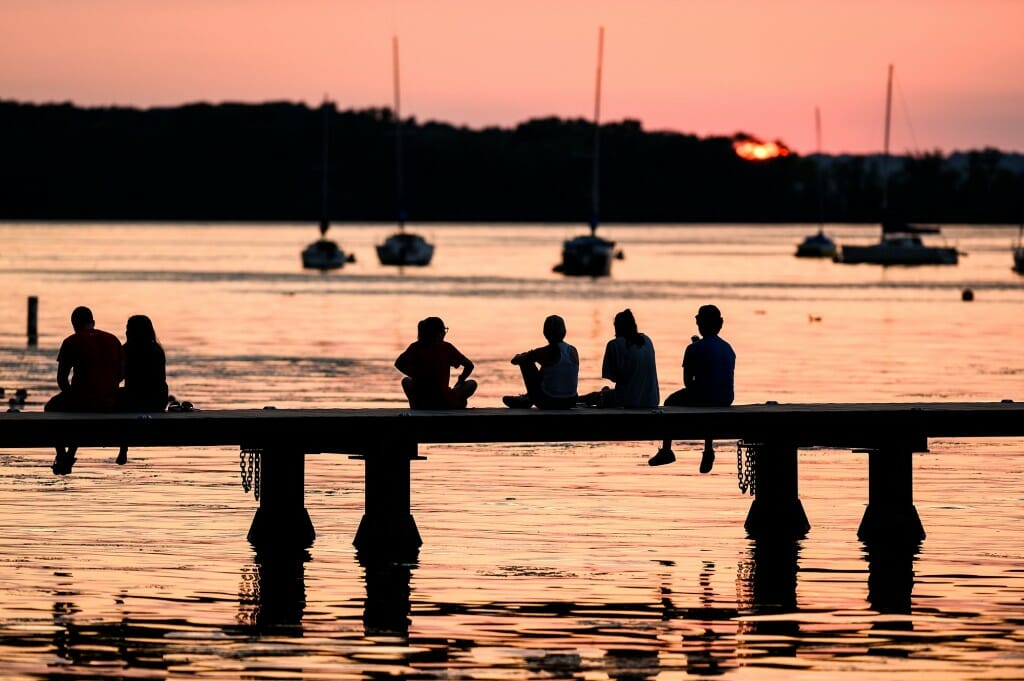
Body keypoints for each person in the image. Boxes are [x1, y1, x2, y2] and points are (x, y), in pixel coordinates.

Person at [650, 304, 735, 473]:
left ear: (700, 323)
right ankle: (708, 450)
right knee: (710, 407)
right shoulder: (728, 348)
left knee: (670, 402)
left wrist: (695, 349)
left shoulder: (693, 349)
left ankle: (667, 450)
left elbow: (688, 382)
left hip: (706, 397)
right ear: (720, 324)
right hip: (725, 398)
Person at [44, 306, 124, 475]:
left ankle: (61, 454)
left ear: (73, 324)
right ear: (93, 322)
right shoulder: (113, 340)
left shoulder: (71, 341)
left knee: (51, 407)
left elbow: (62, 379)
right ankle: (69, 456)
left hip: (82, 400)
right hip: (110, 402)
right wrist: (106, 388)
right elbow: (121, 374)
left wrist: (71, 395)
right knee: (78, 408)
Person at [114, 314, 169, 465]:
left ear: (131, 332)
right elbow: (161, 378)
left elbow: (119, 378)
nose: (125, 332)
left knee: (119, 401)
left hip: (134, 399)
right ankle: (123, 450)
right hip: (158, 400)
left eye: (127, 329)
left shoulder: (126, 350)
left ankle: (123, 448)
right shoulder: (157, 350)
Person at [580, 308, 659, 409]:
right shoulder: (647, 340)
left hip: (628, 401)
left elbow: (612, 377)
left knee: (597, 395)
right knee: (607, 392)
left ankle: (573, 399)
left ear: (617, 327)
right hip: (651, 400)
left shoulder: (614, 345)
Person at [395, 317, 477, 409]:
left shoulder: (415, 347)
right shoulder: (446, 347)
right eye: (444, 330)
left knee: (406, 381)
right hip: (444, 400)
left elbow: (398, 363)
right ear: (440, 332)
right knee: (471, 384)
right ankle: (456, 403)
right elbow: (469, 365)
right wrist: (460, 380)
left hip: (422, 400)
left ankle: (416, 405)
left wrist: (415, 376)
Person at [503, 314, 579, 410]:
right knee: (549, 369)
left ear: (545, 333)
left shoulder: (543, 352)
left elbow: (514, 361)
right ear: (564, 332)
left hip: (548, 401)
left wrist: (522, 355)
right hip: (571, 400)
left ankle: (530, 399)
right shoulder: (573, 350)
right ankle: (528, 397)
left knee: (526, 362)